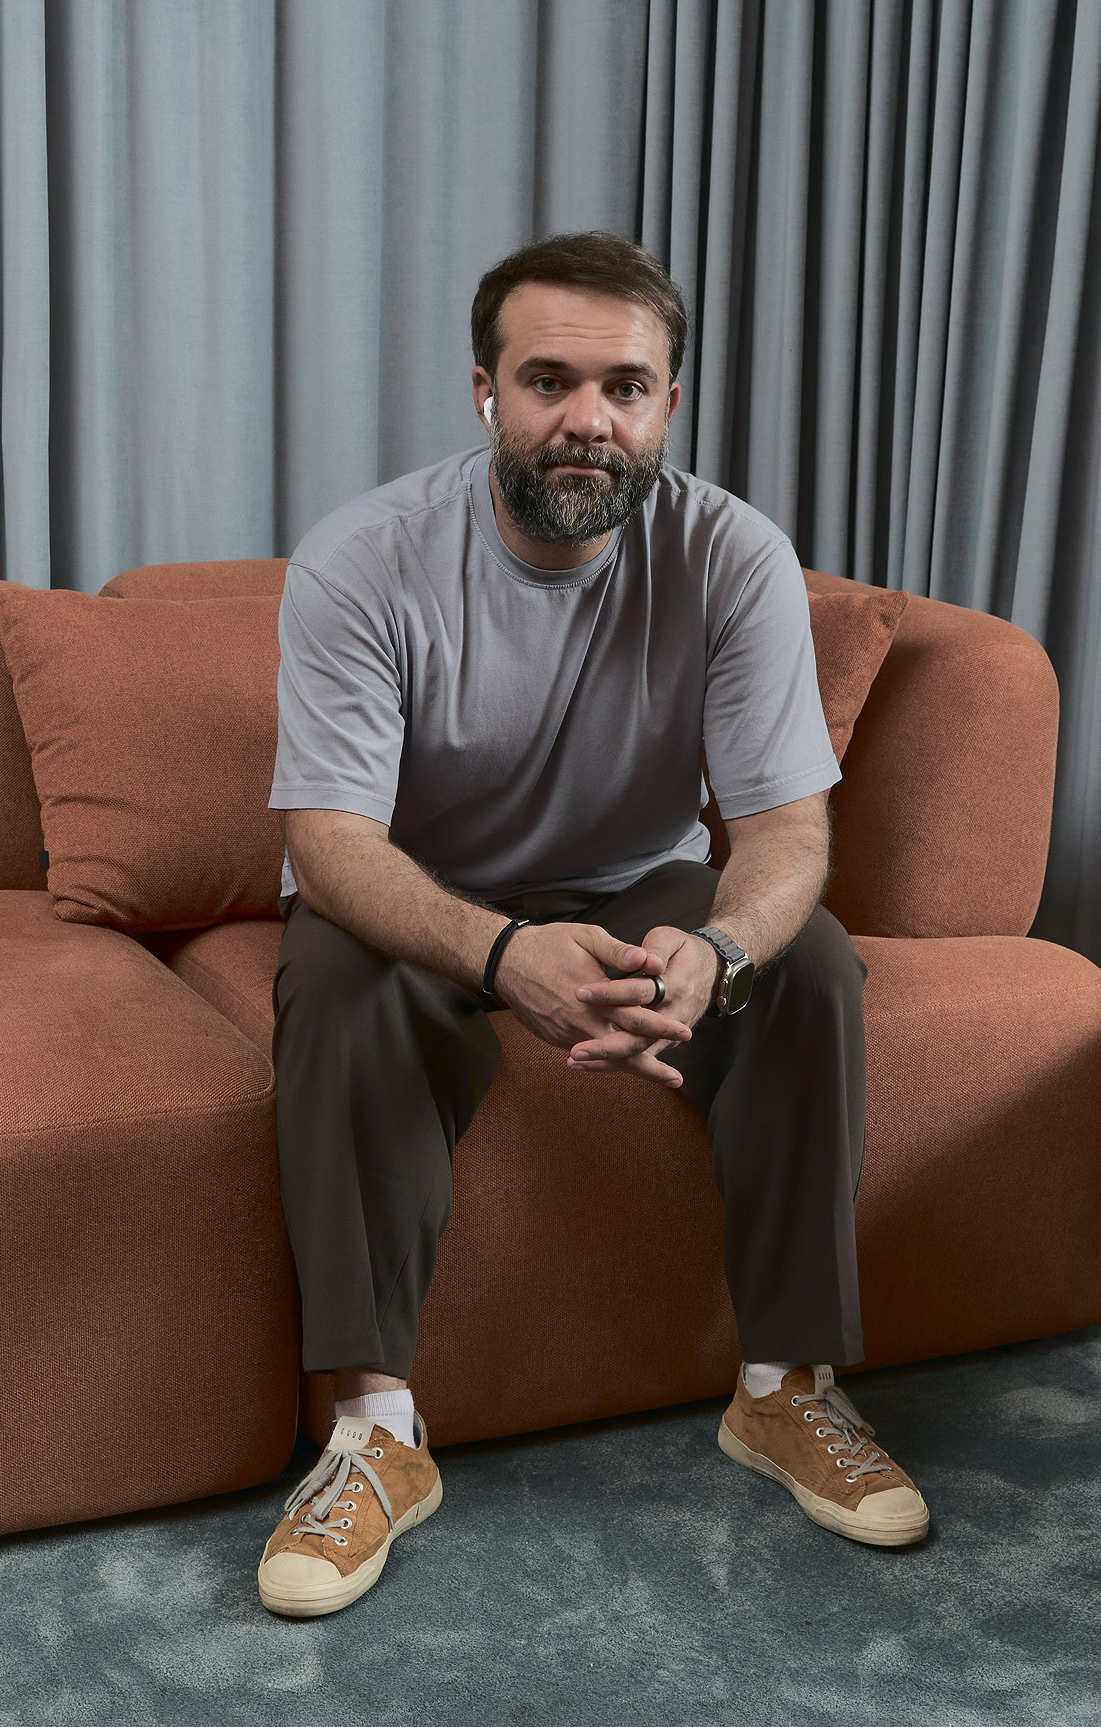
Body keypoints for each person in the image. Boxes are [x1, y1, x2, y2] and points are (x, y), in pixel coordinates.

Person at [257, 230, 929, 1619]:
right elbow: (327, 840)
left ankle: (783, 1386)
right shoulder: (362, 559)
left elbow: (787, 834)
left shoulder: (732, 554)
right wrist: (504, 955)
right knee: (335, 982)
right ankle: (374, 1434)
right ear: (485, 393)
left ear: (668, 404)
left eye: (625, 387)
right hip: (420, 886)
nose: (588, 419)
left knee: (808, 964)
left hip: (637, 882)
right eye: (547, 380)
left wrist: (720, 948)